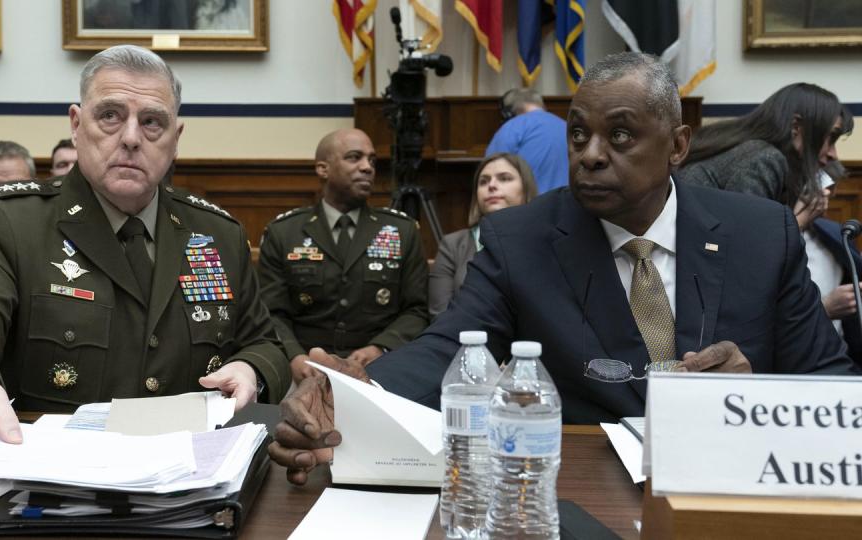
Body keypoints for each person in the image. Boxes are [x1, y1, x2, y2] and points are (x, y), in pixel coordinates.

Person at [268, 52, 856, 485]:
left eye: (620, 134)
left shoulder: (761, 233)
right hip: (577, 490)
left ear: (677, 145)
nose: (591, 153)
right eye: (579, 134)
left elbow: (830, 385)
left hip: (733, 484)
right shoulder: (521, 238)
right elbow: (449, 347)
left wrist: (752, 401)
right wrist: (348, 394)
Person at [0, 44, 290, 454]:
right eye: (110, 116)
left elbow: (265, 343)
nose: (130, 138)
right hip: (45, 479)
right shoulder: (10, 222)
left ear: (175, 139)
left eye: (152, 122)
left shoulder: (217, 233)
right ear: (76, 124)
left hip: (192, 476)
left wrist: (252, 369)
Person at [258, 128, 429, 384]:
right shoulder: (285, 232)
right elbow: (271, 312)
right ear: (322, 169)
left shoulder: (401, 231)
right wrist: (294, 356)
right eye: (354, 157)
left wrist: (380, 348)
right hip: (303, 368)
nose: (367, 167)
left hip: (379, 369)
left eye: (371, 160)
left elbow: (416, 311)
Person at [679, 83, 853, 228]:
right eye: (830, 137)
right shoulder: (763, 159)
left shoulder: (755, 151)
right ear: (796, 127)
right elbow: (750, 249)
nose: (833, 154)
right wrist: (800, 220)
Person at [428, 152, 537, 317]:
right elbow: (440, 314)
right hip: (466, 339)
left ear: (526, 188)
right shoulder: (453, 244)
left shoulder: (546, 240)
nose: (491, 185)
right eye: (483, 181)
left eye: (504, 178)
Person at [801, 161, 862, 368]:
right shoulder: (768, 239)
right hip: (789, 363)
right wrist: (824, 308)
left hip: (839, 359)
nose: (825, 197)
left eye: (829, 189)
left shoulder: (836, 234)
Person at [485, 88, 568, 194]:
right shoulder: (566, 126)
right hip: (569, 205)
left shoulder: (512, 127)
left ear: (508, 113)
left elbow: (490, 169)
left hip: (530, 206)